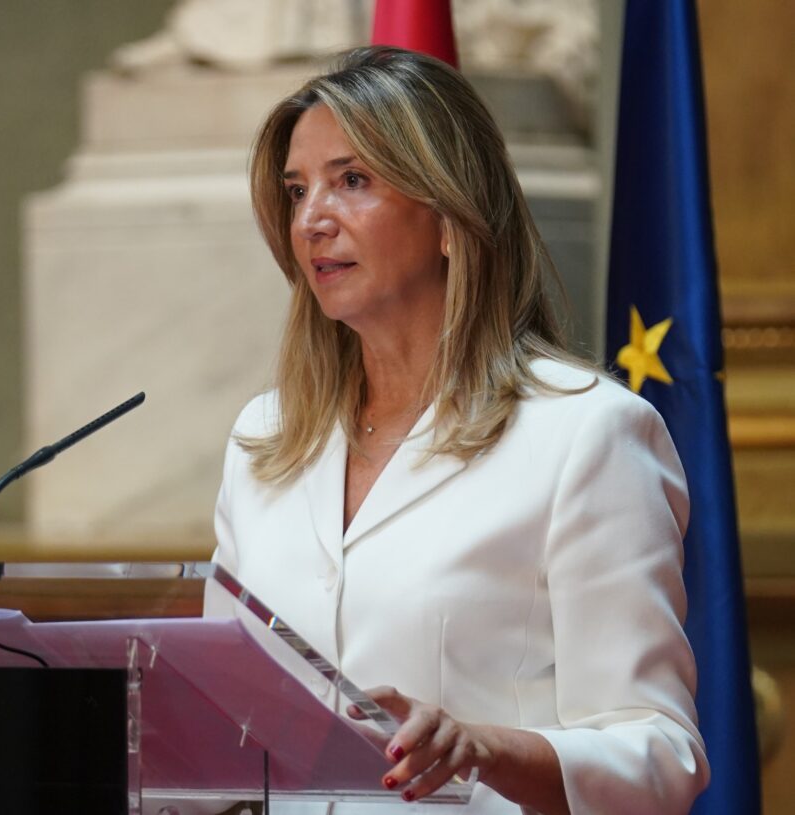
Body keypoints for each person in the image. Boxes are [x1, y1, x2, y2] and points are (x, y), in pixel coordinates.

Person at [209, 46, 709, 813]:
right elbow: (219, 719)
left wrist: (482, 745)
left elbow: (660, 753)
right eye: (296, 189)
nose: (312, 218)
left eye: (352, 180)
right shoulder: (264, 439)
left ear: (448, 215)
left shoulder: (587, 435)